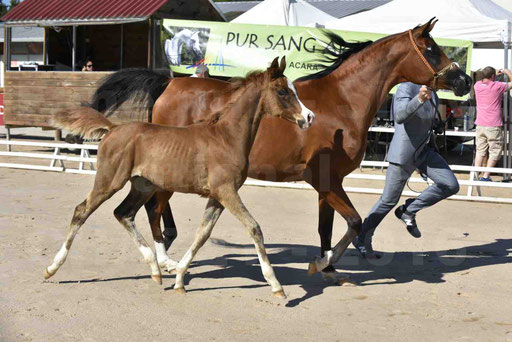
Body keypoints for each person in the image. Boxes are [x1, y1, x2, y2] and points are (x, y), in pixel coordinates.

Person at [353, 82, 460, 259]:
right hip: (403, 154)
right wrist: (418, 98)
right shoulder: (406, 88)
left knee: (450, 184)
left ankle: (408, 210)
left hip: (425, 152)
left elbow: (426, 122)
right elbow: (400, 116)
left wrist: (438, 125)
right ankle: (362, 237)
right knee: (388, 201)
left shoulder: (434, 93)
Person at [473, 67, 512, 181]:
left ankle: (475, 175)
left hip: (480, 123)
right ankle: (486, 176)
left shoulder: (477, 85)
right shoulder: (497, 86)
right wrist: (508, 73)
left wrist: (495, 75)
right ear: (493, 77)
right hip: (493, 124)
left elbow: (488, 81)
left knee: (480, 150)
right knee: (494, 151)